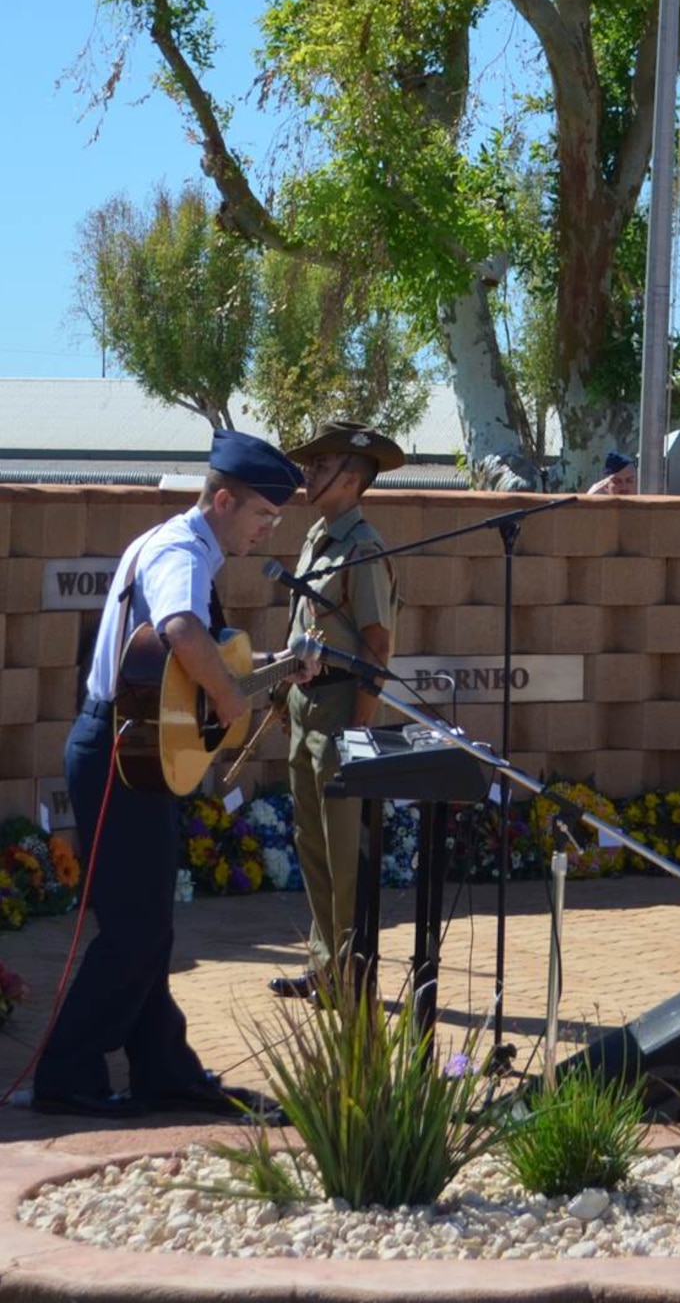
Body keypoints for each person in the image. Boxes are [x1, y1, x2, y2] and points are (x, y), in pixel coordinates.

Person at [32, 431, 304, 1120]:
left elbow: (189, 657)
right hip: (119, 758)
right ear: (221, 499)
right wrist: (229, 697)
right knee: (135, 928)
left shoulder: (179, 546)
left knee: (148, 924)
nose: (266, 532)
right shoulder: (182, 551)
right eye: (260, 518)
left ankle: (164, 1071)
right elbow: (182, 630)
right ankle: (66, 1074)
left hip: (137, 755)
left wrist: (264, 668)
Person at [269, 422, 404, 1001]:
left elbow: (377, 642)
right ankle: (327, 967)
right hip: (305, 704)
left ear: (352, 478)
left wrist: (358, 728)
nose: (309, 474)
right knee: (313, 844)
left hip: (341, 705)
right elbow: (303, 624)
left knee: (343, 852)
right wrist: (283, 697)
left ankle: (353, 978)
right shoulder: (319, 536)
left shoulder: (363, 546)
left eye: (320, 466)